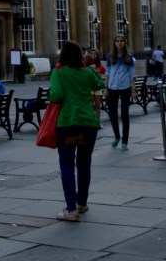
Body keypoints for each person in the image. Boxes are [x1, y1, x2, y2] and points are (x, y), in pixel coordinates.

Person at [49, 41, 105, 222]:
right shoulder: (87, 72)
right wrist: (89, 68)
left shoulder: (58, 72)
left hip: (67, 122)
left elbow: (56, 95)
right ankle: (81, 203)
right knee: (84, 165)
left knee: (67, 167)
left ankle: (71, 210)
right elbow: (99, 83)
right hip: (88, 122)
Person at [104, 35, 135, 151]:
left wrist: (133, 90)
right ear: (114, 43)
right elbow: (107, 73)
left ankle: (125, 141)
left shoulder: (129, 57)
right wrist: (106, 88)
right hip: (112, 88)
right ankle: (117, 135)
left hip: (125, 88)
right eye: (117, 41)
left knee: (124, 114)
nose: (119, 43)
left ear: (124, 43)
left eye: (121, 41)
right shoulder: (110, 56)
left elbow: (132, 74)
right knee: (112, 114)